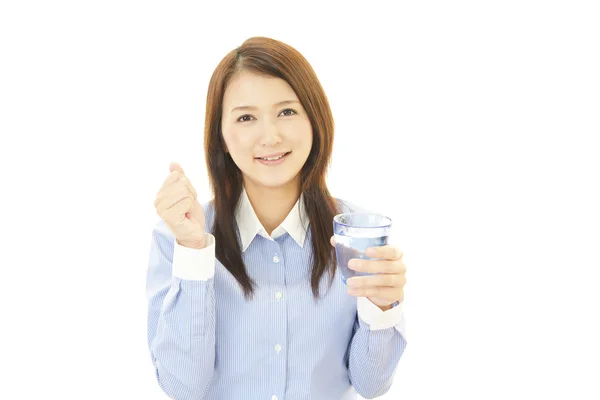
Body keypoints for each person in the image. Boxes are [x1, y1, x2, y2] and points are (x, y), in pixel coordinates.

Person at [146, 36, 408, 400]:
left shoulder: (356, 233)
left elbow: (372, 384)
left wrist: (382, 307)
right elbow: (183, 386)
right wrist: (194, 251)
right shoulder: (179, 239)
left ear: (314, 119)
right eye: (246, 117)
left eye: (287, 111)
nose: (270, 136)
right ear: (220, 135)